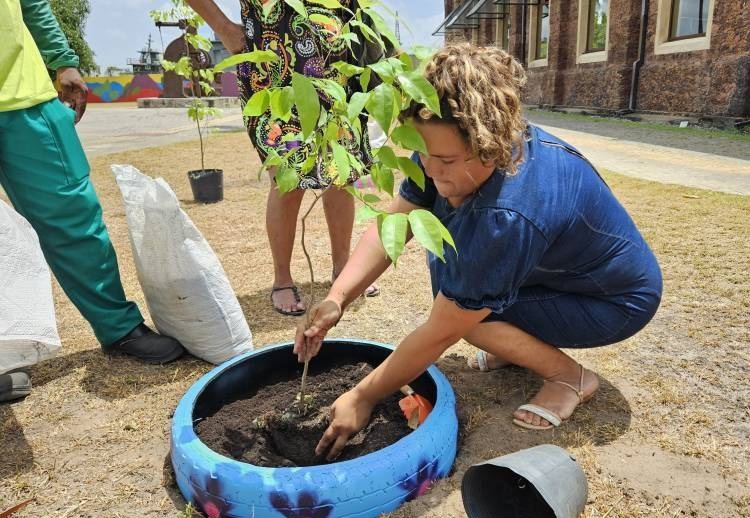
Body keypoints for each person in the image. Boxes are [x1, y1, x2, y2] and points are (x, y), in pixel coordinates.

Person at [294, 43, 663, 460]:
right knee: (460, 281)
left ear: (490, 141)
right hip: (555, 276)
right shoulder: (454, 147)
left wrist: (363, 396)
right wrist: (336, 298)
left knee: (467, 317)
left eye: (446, 160)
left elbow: (444, 329)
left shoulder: (508, 213)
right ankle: (515, 343)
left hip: (612, 300)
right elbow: (393, 224)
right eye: (424, 154)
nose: (431, 172)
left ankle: (569, 378)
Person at [0, 0, 185, 402]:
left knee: (74, 217)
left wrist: (63, 61)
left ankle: (118, 327)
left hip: (23, 99)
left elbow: (31, 3)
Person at [185, 0, 380, 316]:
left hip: (337, 62)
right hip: (274, 65)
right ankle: (282, 278)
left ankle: (343, 266)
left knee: (341, 171)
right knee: (287, 179)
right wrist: (222, 27)